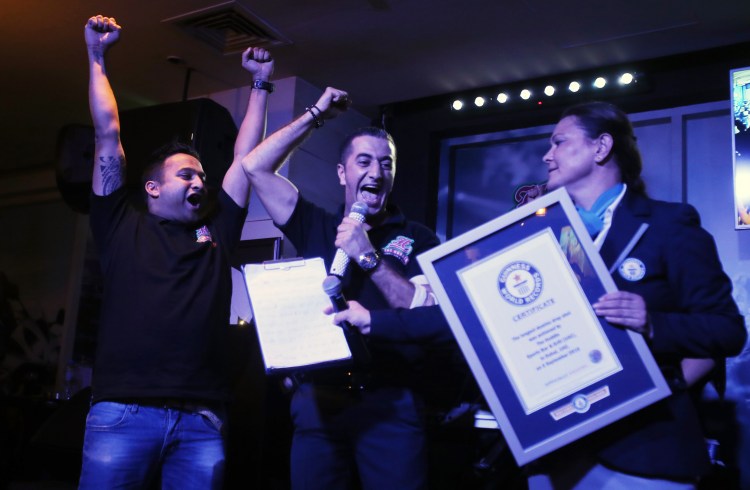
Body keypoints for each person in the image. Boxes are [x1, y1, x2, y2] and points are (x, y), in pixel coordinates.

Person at [80, 15, 274, 489]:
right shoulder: (121, 222)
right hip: (123, 412)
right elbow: (108, 134)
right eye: (186, 174)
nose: (199, 181)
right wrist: (97, 57)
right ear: (151, 187)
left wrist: (261, 85)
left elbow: (247, 163)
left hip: (201, 420)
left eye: (203, 176)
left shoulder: (216, 230)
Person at [526, 101, 747, 489]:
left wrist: (652, 323)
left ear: (601, 147)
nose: (547, 155)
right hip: (555, 446)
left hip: (645, 449)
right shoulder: (547, 236)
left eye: (558, 142)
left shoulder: (669, 224)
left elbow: (726, 330)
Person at [241, 89, 441, 489]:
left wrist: (367, 256)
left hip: (391, 404)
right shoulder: (313, 223)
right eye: (364, 161)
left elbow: (425, 314)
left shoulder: (418, 237)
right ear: (341, 173)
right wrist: (315, 114)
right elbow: (255, 166)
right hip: (318, 403)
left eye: (387, 164)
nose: (377, 172)